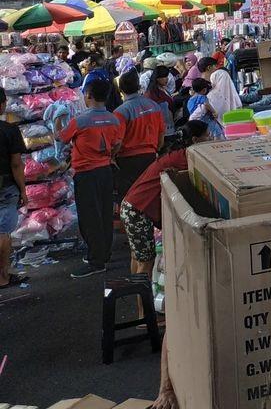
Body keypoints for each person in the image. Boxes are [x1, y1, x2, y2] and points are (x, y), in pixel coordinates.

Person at [120, 120, 211, 275]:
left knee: (138, 256)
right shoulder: (183, 157)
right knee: (145, 262)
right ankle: (143, 298)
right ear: (195, 140)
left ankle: (137, 294)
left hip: (132, 206)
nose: (210, 139)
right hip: (137, 210)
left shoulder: (175, 154)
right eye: (207, 136)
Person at [60, 79, 123, 278]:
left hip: (86, 173)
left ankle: (97, 261)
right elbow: (116, 144)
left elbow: (61, 137)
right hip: (105, 171)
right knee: (105, 214)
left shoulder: (80, 120)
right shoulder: (113, 119)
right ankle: (103, 254)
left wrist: (56, 120)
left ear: (88, 95)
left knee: (89, 218)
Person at [113, 71, 167, 201]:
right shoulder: (154, 106)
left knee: (130, 198)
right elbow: (161, 134)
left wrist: (112, 157)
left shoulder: (120, 112)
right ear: (138, 87)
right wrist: (156, 150)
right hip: (150, 157)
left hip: (128, 161)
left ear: (120, 89)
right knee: (149, 195)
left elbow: (117, 142)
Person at [0, 87, 28, 288]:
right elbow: (16, 164)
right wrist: (23, 190)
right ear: (3, 105)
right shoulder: (9, 130)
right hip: (5, 187)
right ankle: (2, 277)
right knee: (3, 233)